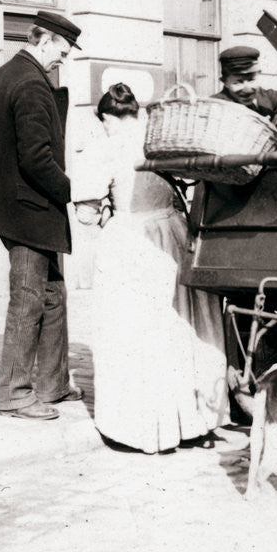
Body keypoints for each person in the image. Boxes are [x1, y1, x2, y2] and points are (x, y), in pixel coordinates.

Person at [71, 83, 228, 453]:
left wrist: (106, 213)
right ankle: (197, 423)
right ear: (137, 114)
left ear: (107, 118)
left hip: (132, 239)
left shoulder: (101, 149)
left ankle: (144, 429)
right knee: (184, 324)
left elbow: (85, 214)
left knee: (134, 330)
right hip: (173, 234)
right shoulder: (162, 140)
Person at [0, 10, 84, 420]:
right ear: (44, 40)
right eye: (62, 53)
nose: (61, 61)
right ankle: (14, 393)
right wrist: (76, 193)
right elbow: (36, 159)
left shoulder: (2, 75)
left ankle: (53, 383)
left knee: (52, 292)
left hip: (11, 204)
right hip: (27, 208)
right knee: (29, 298)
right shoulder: (32, 84)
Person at [211, 45, 277, 117]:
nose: (247, 89)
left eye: (251, 80)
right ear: (224, 81)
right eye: (238, 82)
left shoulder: (265, 97)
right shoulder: (215, 107)